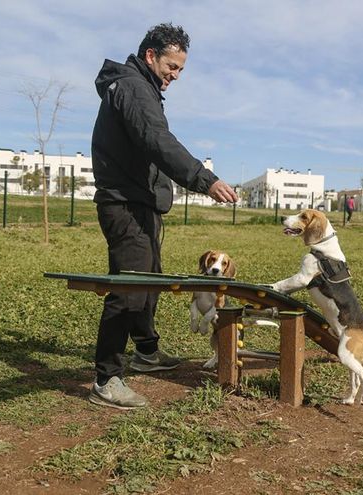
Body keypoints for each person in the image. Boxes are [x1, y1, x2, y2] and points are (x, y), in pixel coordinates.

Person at [89, 23, 238, 409]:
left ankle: (147, 352)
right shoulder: (134, 89)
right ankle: (107, 379)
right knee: (130, 288)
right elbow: (158, 141)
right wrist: (204, 179)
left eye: (181, 70)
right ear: (151, 56)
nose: (175, 76)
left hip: (142, 204)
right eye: (172, 67)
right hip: (124, 204)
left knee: (149, 281)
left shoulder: (143, 89)